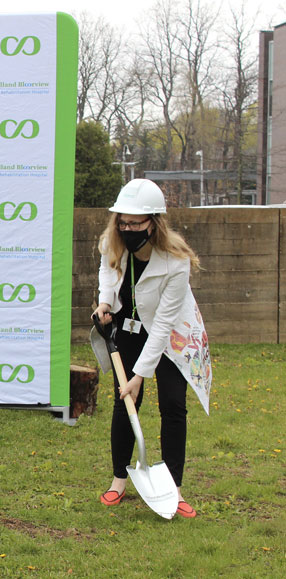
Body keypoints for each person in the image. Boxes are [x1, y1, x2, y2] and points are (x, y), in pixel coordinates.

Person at [92, 178, 212, 518]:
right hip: (129, 327)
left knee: (173, 405)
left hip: (171, 334)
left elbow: (161, 326)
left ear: (153, 222)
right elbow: (107, 269)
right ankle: (119, 480)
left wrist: (141, 374)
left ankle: (173, 487)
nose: (127, 228)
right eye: (122, 221)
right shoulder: (111, 240)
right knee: (126, 401)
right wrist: (104, 302)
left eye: (135, 223)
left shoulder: (176, 262)